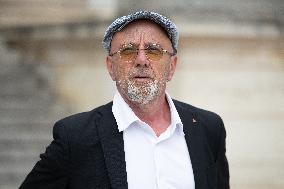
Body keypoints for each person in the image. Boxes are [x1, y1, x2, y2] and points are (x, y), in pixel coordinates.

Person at [19, 10, 229, 189]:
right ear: (111, 67)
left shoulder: (208, 129)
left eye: (154, 51)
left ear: (172, 67)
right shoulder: (74, 137)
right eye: (128, 51)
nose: (141, 60)